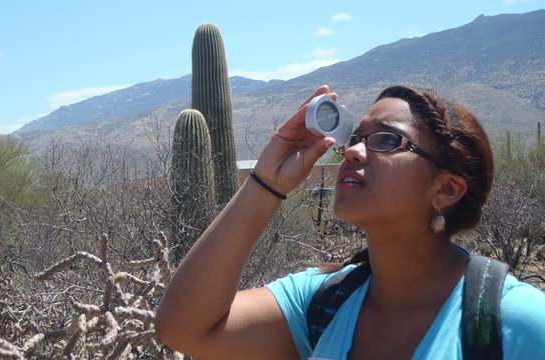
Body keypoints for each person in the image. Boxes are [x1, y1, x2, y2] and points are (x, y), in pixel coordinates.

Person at [154, 85, 545, 359]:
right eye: (355, 138)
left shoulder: (515, 322)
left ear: (446, 190)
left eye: (388, 140)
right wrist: (266, 183)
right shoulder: (324, 302)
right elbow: (186, 329)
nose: (353, 151)